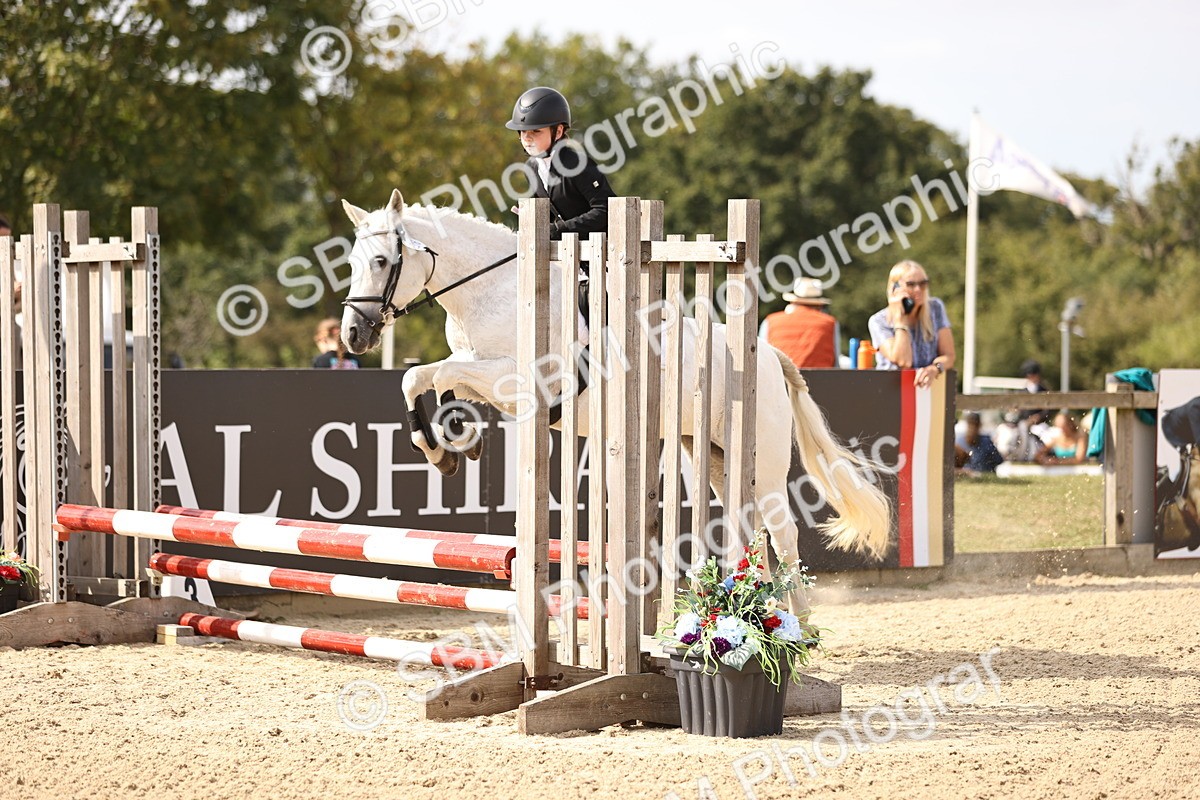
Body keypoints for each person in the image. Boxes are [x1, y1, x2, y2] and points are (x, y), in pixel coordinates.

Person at [506, 87, 616, 240]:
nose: (527, 138)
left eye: (536, 131)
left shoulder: (578, 164)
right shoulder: (530, 168)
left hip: (602, 253)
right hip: (565, 255)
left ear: (558, 131)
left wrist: (560, 229)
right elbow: (546, 214)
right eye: (523, 132)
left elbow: (605, 210)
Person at [868, 260, 955, 388]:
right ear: (894, 289)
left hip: (926, 393)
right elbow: (904, 361)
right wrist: (901, 320)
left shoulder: (935, 308)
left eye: (923, 284)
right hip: (890, 392)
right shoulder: (878, 321)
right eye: (911, 284)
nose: (918, 289)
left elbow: (949, 356)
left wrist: (934, 369)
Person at [759, 278, 839, 368]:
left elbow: (762, 357)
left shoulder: (770, 321)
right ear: (819, 305)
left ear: (792, 302)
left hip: (781, 378)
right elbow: (835, 363)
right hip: (821, 380)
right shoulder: (830, 323)